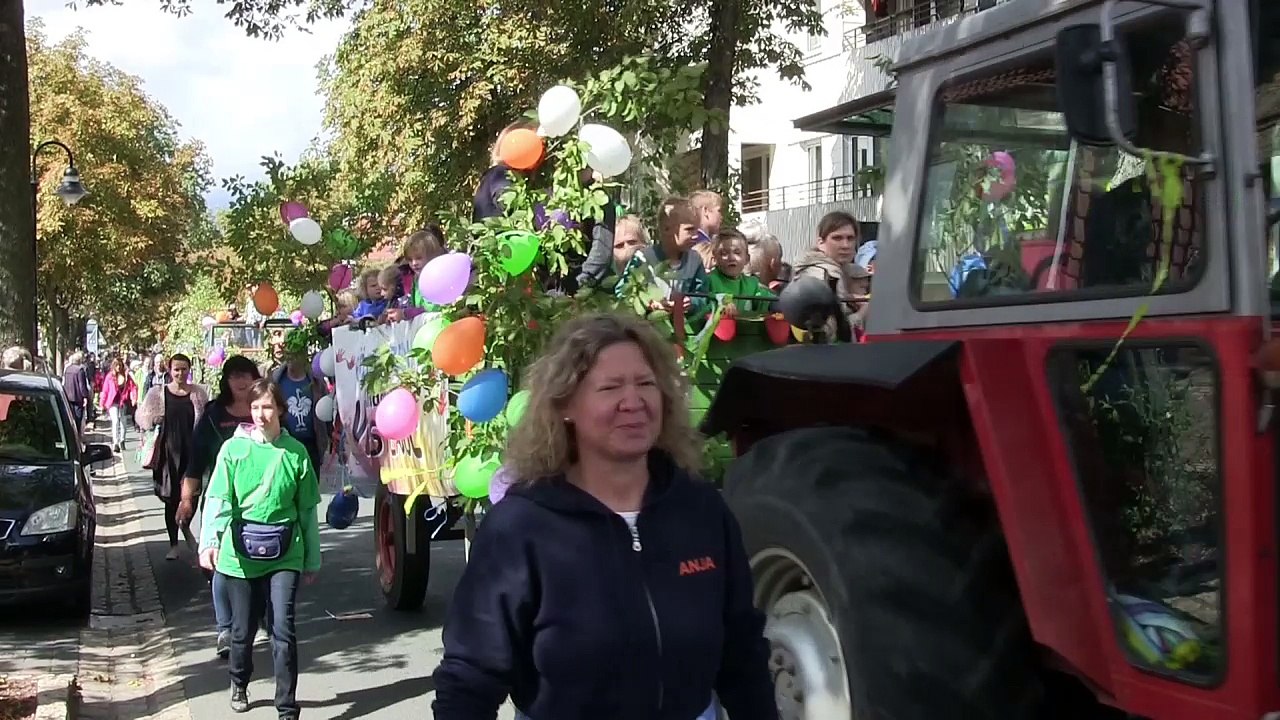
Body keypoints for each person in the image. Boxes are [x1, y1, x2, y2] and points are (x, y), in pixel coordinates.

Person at [432, 312, 775, 720]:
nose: (633, 402)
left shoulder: (701, 511)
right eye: (610, 387)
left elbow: (743, 653)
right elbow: (470, 678)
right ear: (565, 407)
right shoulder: (521, 528)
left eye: (646, 384)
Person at [198, 379, 321, 718]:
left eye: (267, 407)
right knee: (242, 630)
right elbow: (218, 498)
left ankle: (286, 707)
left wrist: (312, 558)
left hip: (286, 552)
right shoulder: (234, 451)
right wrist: (209, 540)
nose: (261, 414)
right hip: (239, 556)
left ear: (280, 409)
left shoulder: (295, 453)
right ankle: (239, 680)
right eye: (255, 408)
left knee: (283, 628)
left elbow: (307, 510)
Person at [176, 354, 263, 658]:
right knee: (221, 567)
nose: (241, 382)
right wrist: (187, 500)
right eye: (234, 376)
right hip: (221, 500)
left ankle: (253, 620)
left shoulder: (264, 411)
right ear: (226, 381)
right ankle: (225, 628)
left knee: (259, 563)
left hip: (261, 501)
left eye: (246, 375)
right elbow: (195, 463)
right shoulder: (213, 415)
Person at [136, 353, 208, 561]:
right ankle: (174, 544)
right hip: (168, 453)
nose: (180, 373)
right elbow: (142, 416)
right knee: (171, 498)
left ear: (189, 370)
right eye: (176, 369)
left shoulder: (198, 394)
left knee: (191, 498)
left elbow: (207, 419)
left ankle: (185, 526)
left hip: (192, 452)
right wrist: (151, 419)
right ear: (170, 370)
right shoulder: (158, 393)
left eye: (184, 369)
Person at [615, 196, 710, 320]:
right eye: (690, 230)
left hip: (680, 328)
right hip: (648, 328)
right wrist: (650, 303)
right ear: (667, 229)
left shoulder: (695, 260)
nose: (696, 236)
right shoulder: (643, 259)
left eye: (697, 230)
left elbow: (703, 294)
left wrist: (692, 303)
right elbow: (623, 292)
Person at [793, 211, 862, 342]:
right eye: (837, 238)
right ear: (821, 242)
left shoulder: (845, 270)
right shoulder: (823, 275)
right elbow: (827, 333)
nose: (845, 245)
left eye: (850, 238)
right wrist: (865, 312)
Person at [269, 339, 329, 474]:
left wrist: (330, 438)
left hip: (310, 445)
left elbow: (326, 410)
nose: (290, 358)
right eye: (288, 354)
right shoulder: (276, 380)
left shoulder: (316, 382)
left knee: (309, 490)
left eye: (295, 354)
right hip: (283, 443)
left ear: (303, 356)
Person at [707, 229, 772, 316]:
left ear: (747, 259)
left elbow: (770, 301)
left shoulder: (752, 284)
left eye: (737, 253)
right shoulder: (709, 280)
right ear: (714, 259)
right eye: (724, 253)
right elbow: (701, 307)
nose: (731, 258)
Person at [99, 357, 138, 453]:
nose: (118, 367)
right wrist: (102, 403)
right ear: (113, 366)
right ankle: (115, 443)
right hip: (112, 402)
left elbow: (133, 387)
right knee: (115, 420)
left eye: (120, 365)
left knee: (123, 421)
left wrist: (134, 398)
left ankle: (122, 440)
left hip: (122, 401)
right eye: (116, 365)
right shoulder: (109, 377)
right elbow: (105, 390)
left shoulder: (126, 376)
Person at [61, 352, 91, 432]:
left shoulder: (67, 369)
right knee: (78, 418)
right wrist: (85, 396)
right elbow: (82, 385)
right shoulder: (79, 370)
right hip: (77, 398)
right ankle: (77, 433)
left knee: (70, 416)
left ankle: (71, 432)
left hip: (68, 396)